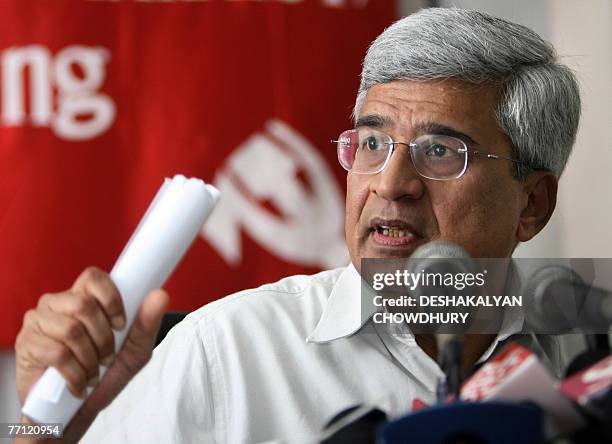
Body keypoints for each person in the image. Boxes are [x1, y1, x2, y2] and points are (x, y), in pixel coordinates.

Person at [14, 7, 581, 444]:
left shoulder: (585, 354)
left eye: (440, 151)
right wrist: (47, 426)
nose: (389, 183)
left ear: (532, 204)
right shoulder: (225, 351)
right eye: (373, 144)